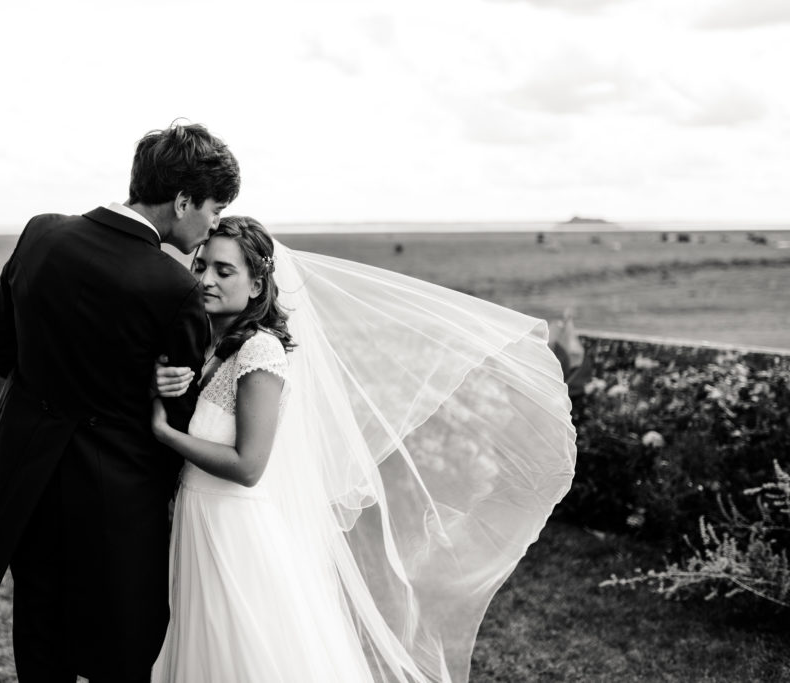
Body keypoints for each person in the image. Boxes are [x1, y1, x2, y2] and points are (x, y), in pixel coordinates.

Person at [149, 217, 578, 683]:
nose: (206, 279)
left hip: (232, 527)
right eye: (201, 265)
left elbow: (249, 466)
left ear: (256, 284)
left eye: (223, 271)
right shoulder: (218, 348)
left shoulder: (260, 351)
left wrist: (165, 434)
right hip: (202, 518)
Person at [0, 121, 240, 682]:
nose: (214, 224)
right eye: (214, 208)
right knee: (123, 649)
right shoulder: (174, 289)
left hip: (29, 483)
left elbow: (1, 356)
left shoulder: (40, 235)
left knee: (41, 638)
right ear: (182, 201)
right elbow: (174, 421)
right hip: (120, 501)